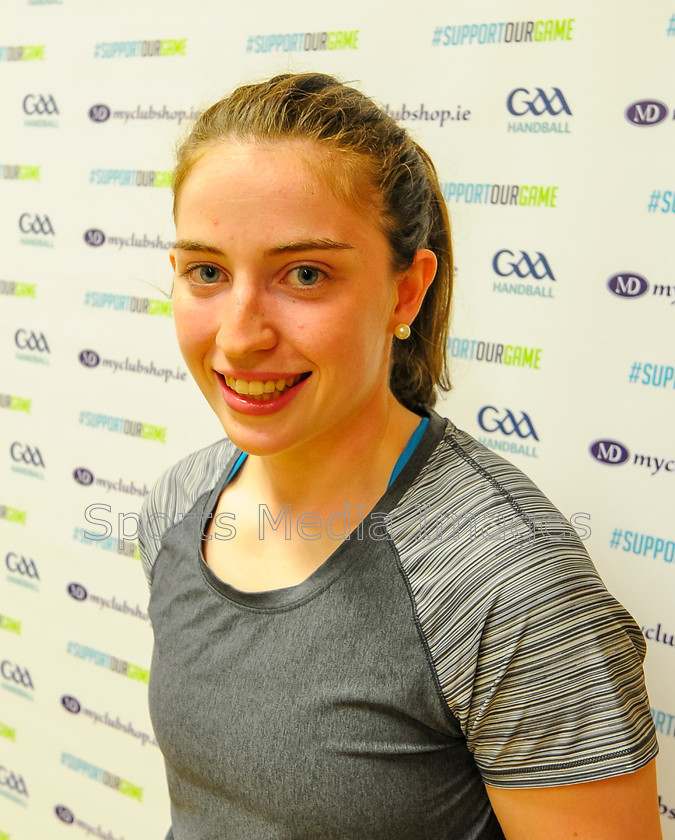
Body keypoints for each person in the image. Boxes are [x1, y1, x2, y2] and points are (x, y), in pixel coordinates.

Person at [138, 73, 661, 840]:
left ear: (406, 293)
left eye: (305, 274)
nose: (239, 334)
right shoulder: (178, 504)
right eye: (206, 271)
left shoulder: (509, 585)